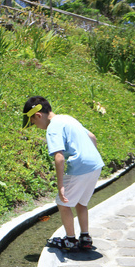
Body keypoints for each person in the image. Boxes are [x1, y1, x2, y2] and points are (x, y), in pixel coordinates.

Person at [22, 96, 104, 251]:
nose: (36, 126)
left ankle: (70, 240)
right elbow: (92, 136)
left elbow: (59, 156)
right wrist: (90, 157)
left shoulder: (52, 128)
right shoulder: (66, 118)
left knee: (62, 203)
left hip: (80, 166)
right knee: (81, 202)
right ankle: (85, 238)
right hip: (95, 163)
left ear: (38, 115)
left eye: (33, 122)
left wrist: (60, 185)